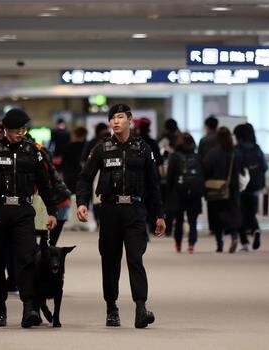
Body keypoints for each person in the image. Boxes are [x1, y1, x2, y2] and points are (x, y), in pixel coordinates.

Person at [75, 103, 165, 328]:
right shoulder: (102, 148)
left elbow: (154, 185)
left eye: (120, 117)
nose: (115, 121)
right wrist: (82, 203)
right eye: (112, 118)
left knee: (135, 258)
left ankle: (141, 308)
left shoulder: (143, 149)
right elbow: (85, 178)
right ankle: (111, 307)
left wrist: (159, 215)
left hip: (135, 211)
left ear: (130, 120)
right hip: (110, 211)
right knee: (111, 261)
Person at [0, 108, 57, 328]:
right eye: (17, 129)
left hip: (23, 211)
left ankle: (29, 307)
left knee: (27, 258)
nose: (21, 132)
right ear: (6, 130)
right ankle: (0, 309)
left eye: (24, 129)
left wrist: (52, 211)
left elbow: (45, 184)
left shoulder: (32, 151)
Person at [203, 127, 243, 253]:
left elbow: (206, 169)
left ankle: (219, 244)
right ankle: (234, 236)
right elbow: (241, 169)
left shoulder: (213, 153)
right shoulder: (236, 153)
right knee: (232, 215)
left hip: (216, 189)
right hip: (233, 189)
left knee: (217, 217)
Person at [166, 132, 204, 253]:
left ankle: (178, 244)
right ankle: (191, 244)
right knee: (193, 220)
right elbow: (203, 175)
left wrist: (169, 191)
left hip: (178, 192)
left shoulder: (174, 157)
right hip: (194, 192)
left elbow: (169, 177)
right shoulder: (197, 157)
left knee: (179, 220)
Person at [234, 123, 267, 251]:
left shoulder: (237, 150)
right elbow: (264, 167)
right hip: (255, 186)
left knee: (240, 214)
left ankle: (244, 242)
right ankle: (256, 230)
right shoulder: (257, 149)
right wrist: (262, 184)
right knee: (251, 213)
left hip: (240, 186)